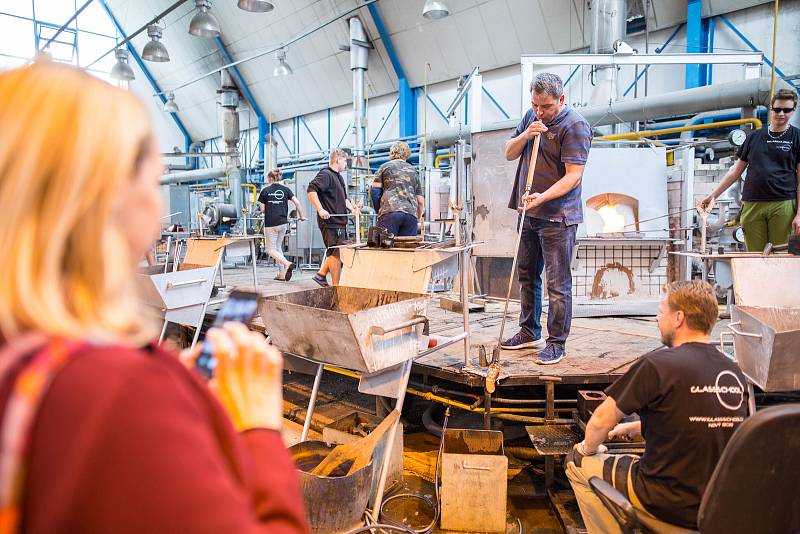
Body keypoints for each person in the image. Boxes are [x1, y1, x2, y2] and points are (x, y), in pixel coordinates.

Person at [0, 61, 308, 534]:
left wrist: (160, 398)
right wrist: (257, 427)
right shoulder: (115, 395)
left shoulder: (30, 357)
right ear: (107, 196)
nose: (159, 201)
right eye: (154, 175)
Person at [565, 280, 748, 534]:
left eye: (661, 312)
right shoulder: (734, 372)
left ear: (678, 318)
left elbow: (599, 422)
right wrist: (637, 426)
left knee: (576, 463)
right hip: (717, 507)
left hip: (665, 501)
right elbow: (702, 420)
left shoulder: (657, 365)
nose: (656, 319)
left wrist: (586, 448)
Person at [501, 72, 592, 365]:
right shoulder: (532, 117)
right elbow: (508, 152)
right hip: (528, 211)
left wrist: (543, 197)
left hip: (557, 217)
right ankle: (529, 331)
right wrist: (526, 133)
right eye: (536, 105)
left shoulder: (575, 125)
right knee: (527, 275)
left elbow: (573, 177)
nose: (540, 112)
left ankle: (556, 343)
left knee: (557, 283)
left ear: (561, 99)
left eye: (547, 106)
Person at [701, 88, 800, 251]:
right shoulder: (754, 137)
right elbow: (735, 171)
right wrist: (713, 196)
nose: (781, 113)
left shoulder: (797, 138)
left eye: (787, 110)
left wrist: (799, 215)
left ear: (793, 110)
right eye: (777, 109)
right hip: (753, 203)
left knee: (781, 256)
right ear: (771, 109)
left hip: (783, 203)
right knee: (755, 255)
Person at [307, 148, 355, 286]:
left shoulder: (339, 177)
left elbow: (344, 199)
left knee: (338, 251)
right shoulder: (326, 174)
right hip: (330, 221)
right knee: (335, 253)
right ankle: (336, 286)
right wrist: (320, 209)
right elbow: (311, 190)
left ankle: (321, 275)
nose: (346, 163)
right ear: (338, 159)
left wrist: (352, 209)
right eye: (345, 160)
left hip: (340, 222)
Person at [258, 169, 305, 281]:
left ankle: (287, 263)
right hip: (283, 223)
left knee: (270, 250)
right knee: (278, 247)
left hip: (271, 223)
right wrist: (301, 216)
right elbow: (297, 202)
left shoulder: (265, 191)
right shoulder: (286, 190)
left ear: (270, 178)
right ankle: (281, 273)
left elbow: (263, 209)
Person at [371, 141, 424, 236]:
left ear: (392, 152)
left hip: (390, 212)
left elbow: (375, 192)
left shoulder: (384, 167)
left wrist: (379, 211)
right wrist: (418, 217)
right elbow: (420, 201)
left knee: (386, 247)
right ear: (407, 153)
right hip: (410, 215)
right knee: (407, 249)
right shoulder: (414, 171)